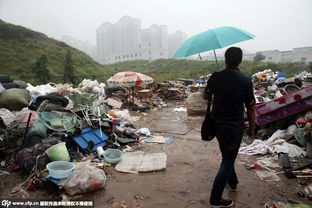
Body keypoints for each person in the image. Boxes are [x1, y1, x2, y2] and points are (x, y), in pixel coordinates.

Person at [203, 47, 256, 207]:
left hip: (217, 125)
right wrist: (251, 128)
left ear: (226, 59)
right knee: (227, 159)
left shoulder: (216, 77)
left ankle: (233, 183)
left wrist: (214, 86)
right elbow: (251, 108)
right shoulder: (245, 81)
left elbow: (206, 95)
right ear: (239, 60)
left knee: (227, 155)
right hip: (234, 127)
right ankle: (215, 199)